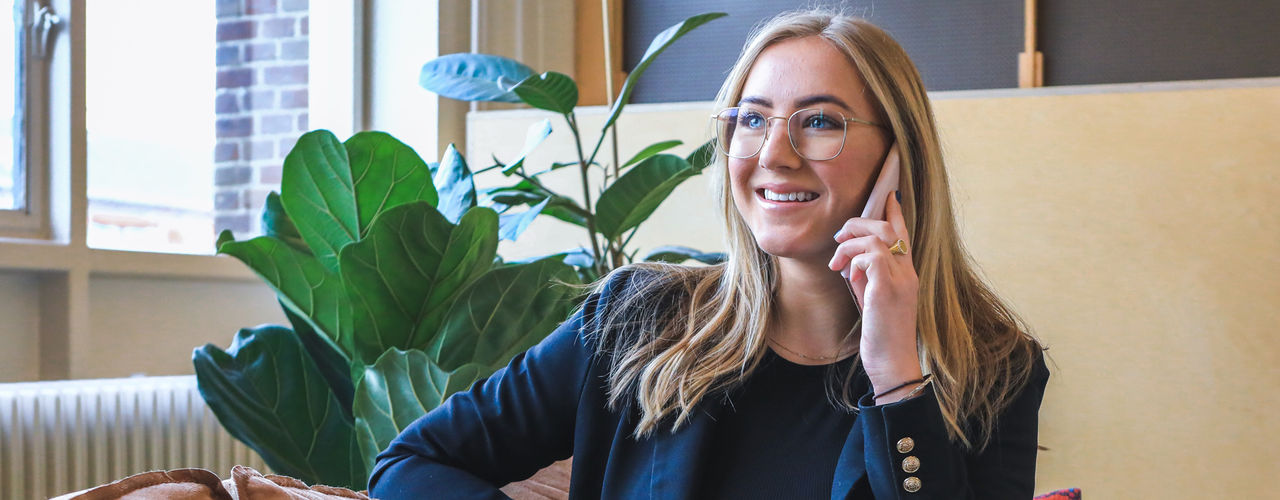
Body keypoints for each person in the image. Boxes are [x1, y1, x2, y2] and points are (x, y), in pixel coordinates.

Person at [369, 8, 1049, 500]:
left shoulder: (993, 369)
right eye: (751, 119)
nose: (773, 155)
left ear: (900, 157)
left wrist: (898, 375)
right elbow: (410, 463)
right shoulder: (636, 320)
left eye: (818, 122)